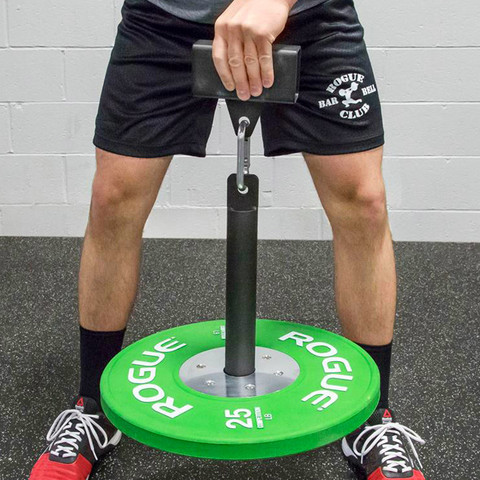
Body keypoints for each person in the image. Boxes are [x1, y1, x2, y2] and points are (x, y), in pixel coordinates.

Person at [29, 0, 427, 478]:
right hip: (164, 19)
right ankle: (92, 405)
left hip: (308, 16)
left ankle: (373, 417)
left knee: (364, 203)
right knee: (113, 200)